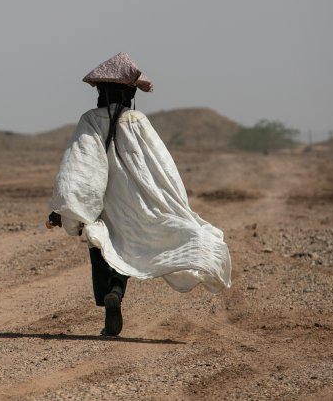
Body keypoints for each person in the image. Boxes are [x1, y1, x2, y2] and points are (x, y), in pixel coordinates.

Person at [47, 52, 231, 337]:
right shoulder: (138, 121)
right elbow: (162, 168)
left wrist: (66, 208)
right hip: (133, 201)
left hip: (102, 204)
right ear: (131, 93)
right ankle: (118, 292)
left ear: (100, 92)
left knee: (102, 246)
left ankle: (111, 297)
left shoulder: (90, 121)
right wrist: (173, 203)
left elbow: (79, 168)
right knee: (125, 245)